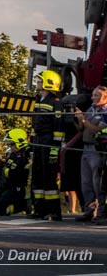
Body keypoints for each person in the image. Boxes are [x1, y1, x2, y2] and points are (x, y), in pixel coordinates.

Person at [30, 70, 65, 220]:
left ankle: (54, 211)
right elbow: (35, 123)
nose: (38, 83)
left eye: (40, 80)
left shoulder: (55, 102)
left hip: (49, 142)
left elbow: (59, 127)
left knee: (49, 178)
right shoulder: (39, 100)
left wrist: (54, 149)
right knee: (37, 176)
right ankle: (39, 209)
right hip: (38, 142)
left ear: (48, 83)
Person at [73, 85, 107, 223]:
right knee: (85, 182)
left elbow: (95, 129)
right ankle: (88, 210)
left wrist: (84, 120)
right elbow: (82, 129)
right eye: (93, 95)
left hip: (97, 149)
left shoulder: (106, 112)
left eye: (97, 95)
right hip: (85, 148)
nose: (93, 97)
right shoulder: (91, 109)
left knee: (96, 183)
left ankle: (100, 212)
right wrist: (76, 118)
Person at [0, 129, 31, 216]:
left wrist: (5, 169)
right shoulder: (12, 154)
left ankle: (23, 205)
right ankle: (3, 203)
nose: (10, 147)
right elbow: (4, 166)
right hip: (8, 186)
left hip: (17, 188)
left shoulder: (24, 156)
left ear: (19, 143)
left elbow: (13, 173)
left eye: (12, 144)